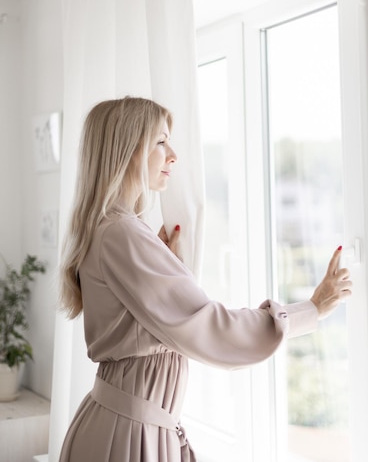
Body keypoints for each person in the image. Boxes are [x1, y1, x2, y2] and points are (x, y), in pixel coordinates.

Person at [58, 96, 352, 462]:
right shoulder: (122, 233)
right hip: (130, 436)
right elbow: (210, 327)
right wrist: (312, 309)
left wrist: (161, 262)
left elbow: (142, 324)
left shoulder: (116, 230)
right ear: (128, 150)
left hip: (126, 426)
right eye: (161, 141)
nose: (173, 155)